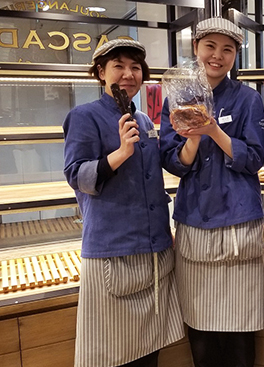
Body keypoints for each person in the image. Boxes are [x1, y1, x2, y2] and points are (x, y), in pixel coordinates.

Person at [63, 39, 184, 367]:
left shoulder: (143, 120)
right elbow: (76, 174)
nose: (128, 74)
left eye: (135, 67)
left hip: (154, 253)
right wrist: (119, 154)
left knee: (149, 353)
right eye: (119, 66)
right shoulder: (83, 116)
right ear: (102, 73)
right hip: (113, 254)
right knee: (114, 356)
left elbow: (151, 182)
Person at [159, 18, 264, 367]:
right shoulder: (177, 97)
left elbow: (253, 159)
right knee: (201, 333)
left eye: (227, 49)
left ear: (236, 54)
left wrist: (214, 132)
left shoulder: (248, 99)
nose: (217, 56)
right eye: (210, 47)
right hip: (195, 223)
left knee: (240, 335)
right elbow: (172, 163)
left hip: (239, 223)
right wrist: (193, 135)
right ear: (196, 48)